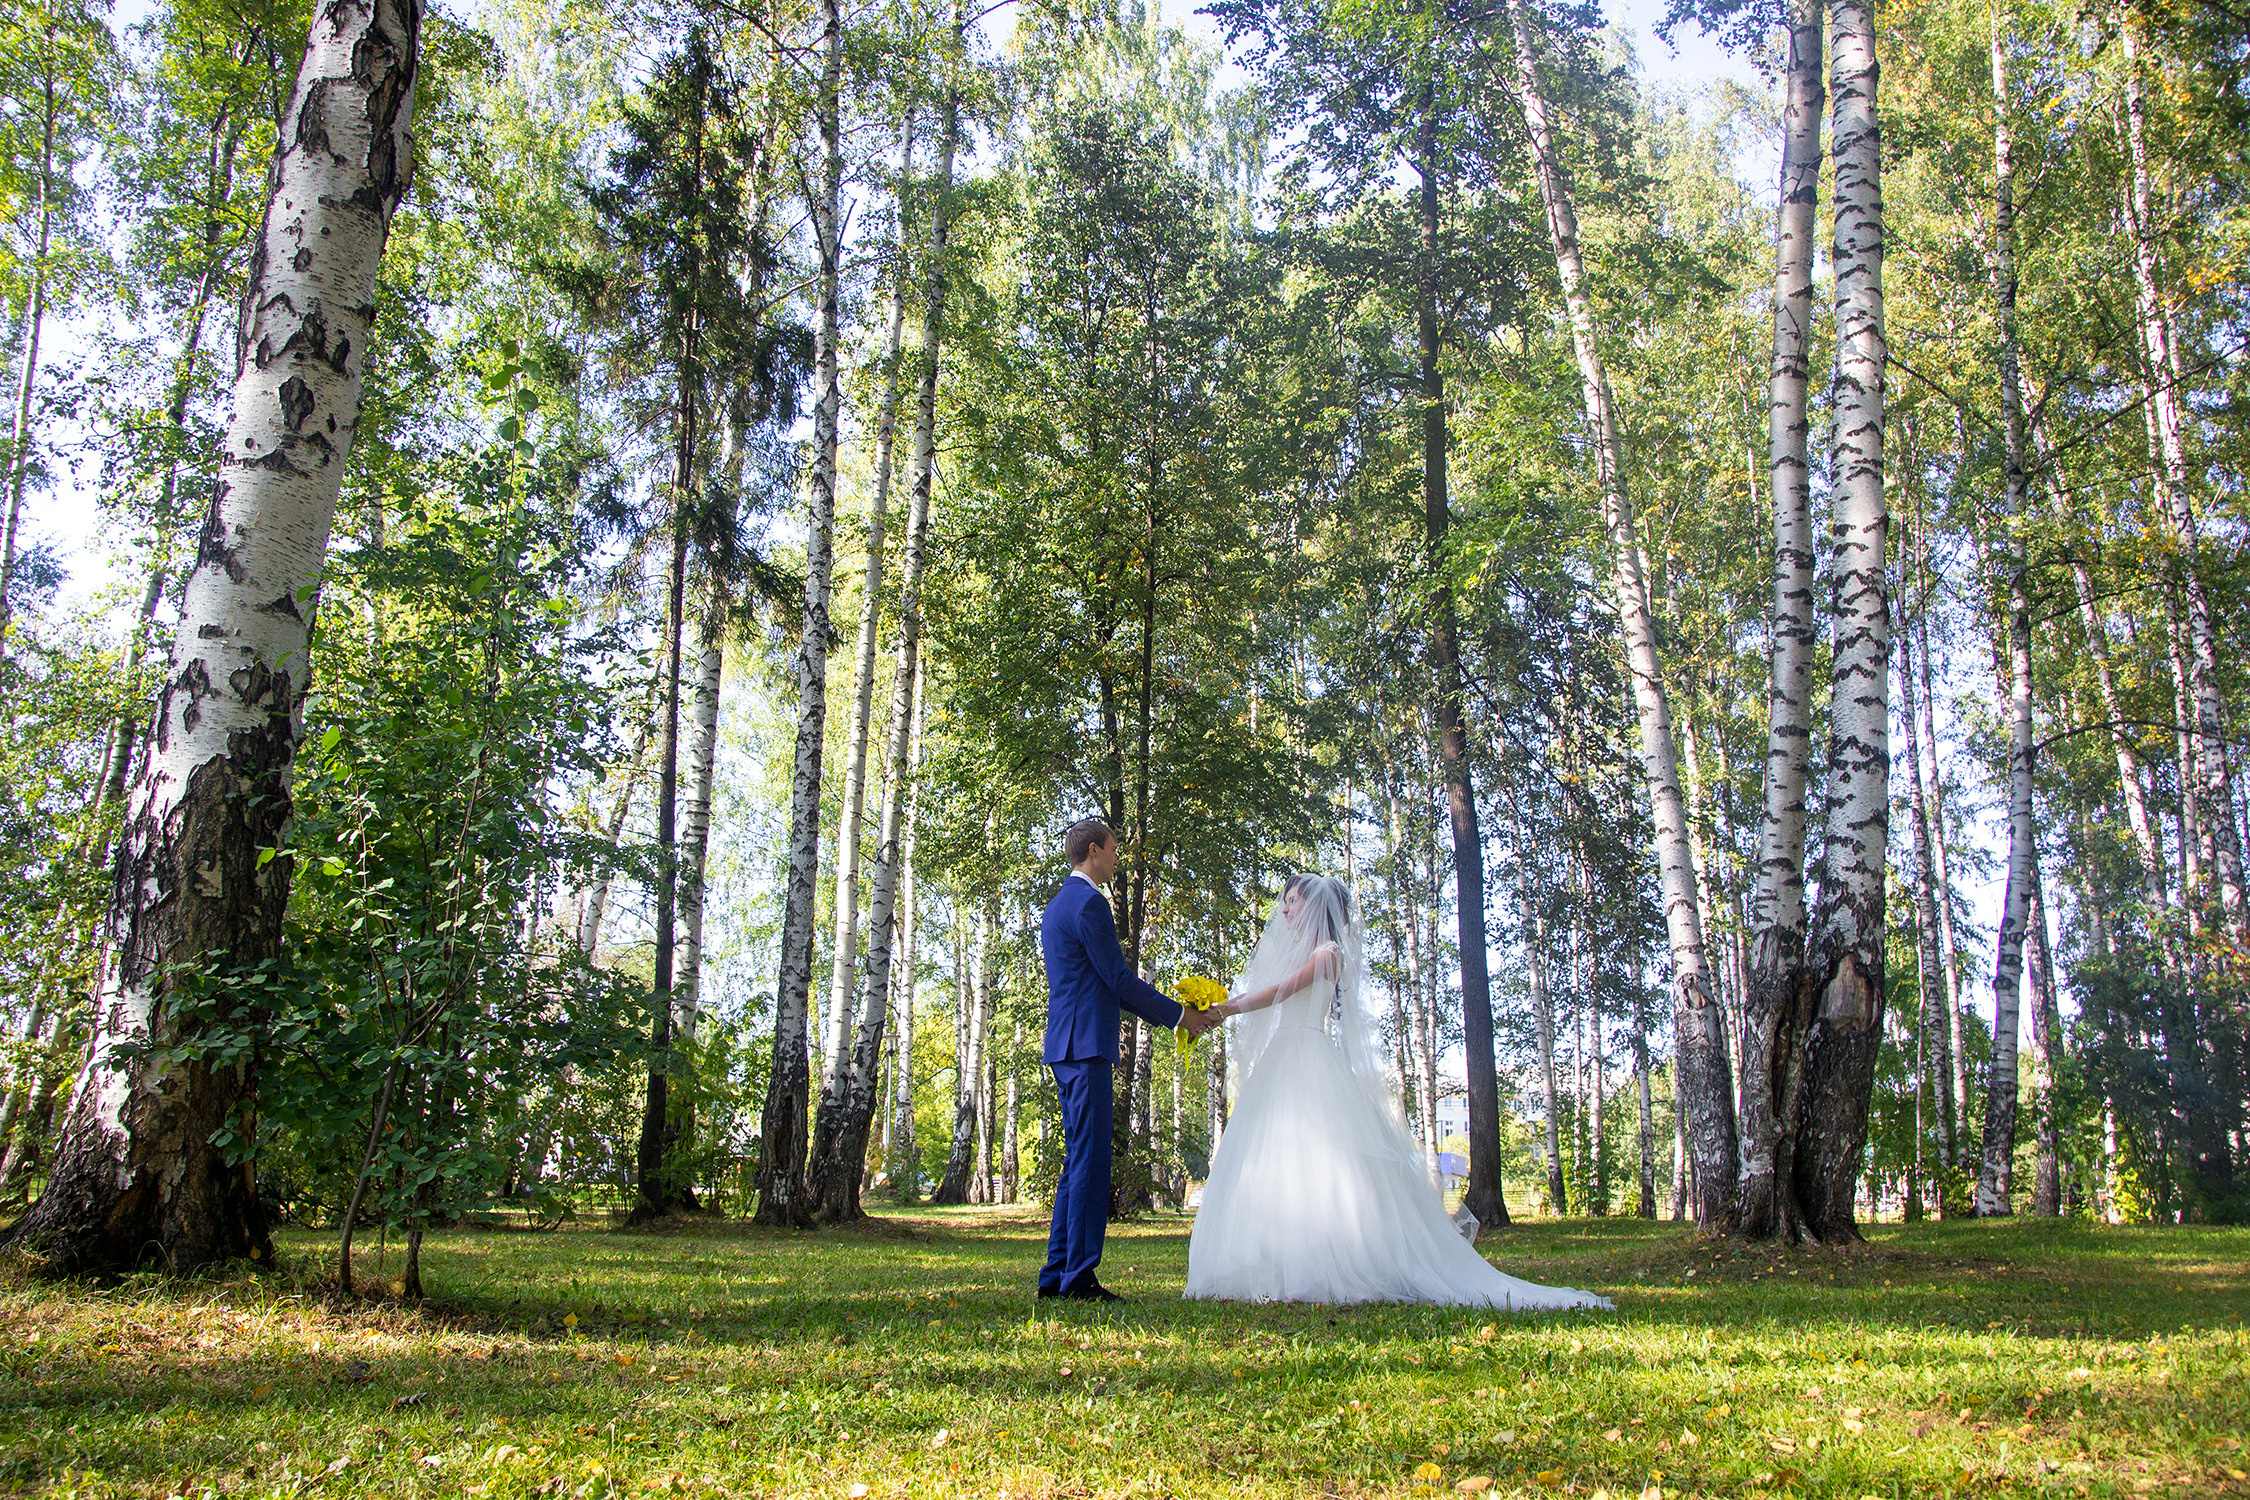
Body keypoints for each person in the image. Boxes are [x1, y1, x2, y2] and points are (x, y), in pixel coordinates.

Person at [1185, 874, 1613, 1311]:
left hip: (1308, 1054)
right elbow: (1269, 987)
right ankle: (1275, 1257)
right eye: (1286, 901)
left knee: (1324, 1161)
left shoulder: (1328, 954)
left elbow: (1280, 992)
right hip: (1283, 1058)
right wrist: (1218, 1005)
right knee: (1276, 1157)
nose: (1285, 909)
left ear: (1314, 906)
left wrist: (1227, 1009)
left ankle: (1327, 1261)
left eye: (1292, 901)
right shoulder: (1297, 954)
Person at [1039, 818, 1218, 1302]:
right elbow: (1117, 980)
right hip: (1086, 1045)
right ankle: (1078, 1279)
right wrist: (1180, 1016)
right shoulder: (1090, 903)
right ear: (1094, 851)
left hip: (1066, 1045)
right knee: (1091, 1161)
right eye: (1114, 850)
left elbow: (1097, 981)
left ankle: (1056, 1275)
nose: (1117, 860)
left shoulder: (1056, 906)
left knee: (1078, 1159)